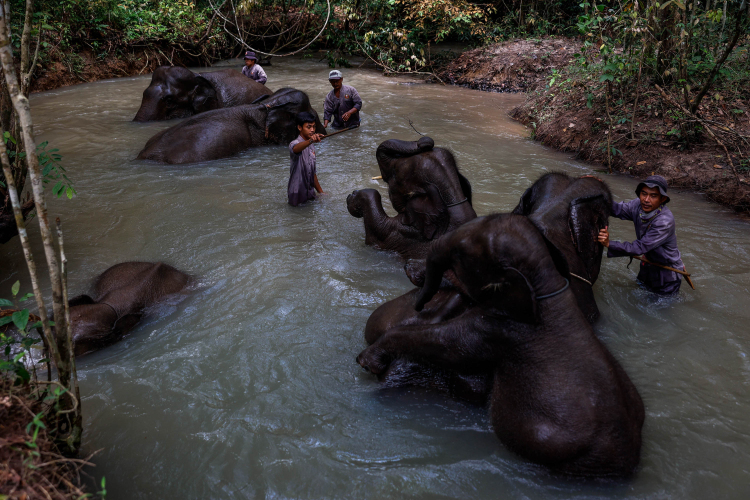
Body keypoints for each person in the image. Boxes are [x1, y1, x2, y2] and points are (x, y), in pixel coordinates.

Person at [597, 175, 684, 294]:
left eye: (653, 196)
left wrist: (609, 243)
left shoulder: (664, 222)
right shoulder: (638, 205)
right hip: (647, 265)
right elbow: (618, 209)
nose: (646, 199)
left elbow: (639, 247)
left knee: (659, 308)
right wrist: (600, 191)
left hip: (666, 274)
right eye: (644, 194)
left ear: (662, 199)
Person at [288, 111, 325, 206]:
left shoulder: (311, 146)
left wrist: (321, 192)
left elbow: (312, 173)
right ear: (299, 127)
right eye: (309, 127)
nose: (312, 130)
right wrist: (311, 140)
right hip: (297, 194)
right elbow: (296, 149)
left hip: (310, 193)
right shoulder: (294, 143)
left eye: (314, 127)